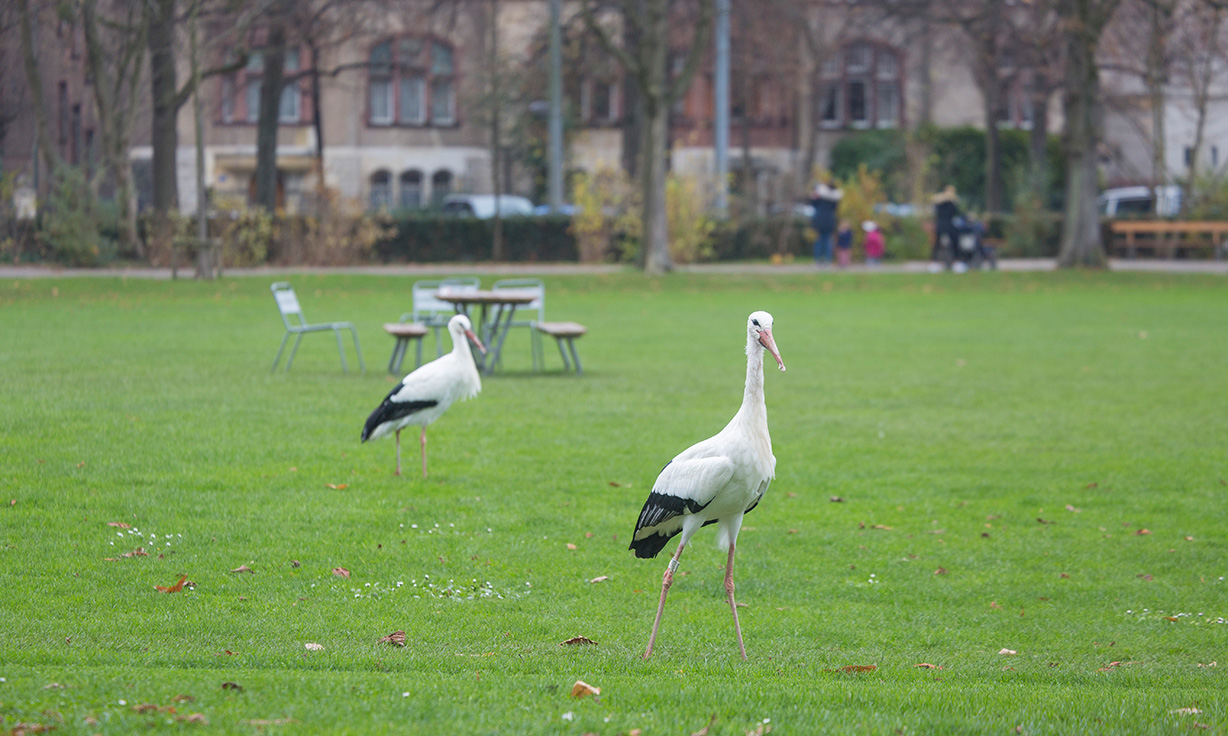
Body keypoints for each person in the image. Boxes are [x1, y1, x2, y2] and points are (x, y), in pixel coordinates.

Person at [809, 179, 842, 265]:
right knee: (827, 241)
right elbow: (835, 209)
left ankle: (818, 260)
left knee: (819, 241)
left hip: (819, 221)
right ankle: (828, 260)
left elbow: (813, 203)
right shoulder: (834, 199)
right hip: (829, 221)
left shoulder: (820, 197)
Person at [931, 184, 961, 266]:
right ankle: (955, 260)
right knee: (954, 240)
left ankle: (954, 260)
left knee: (953, 241)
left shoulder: (947, 203)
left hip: (942, 224)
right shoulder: (944, 202)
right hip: (945, 224)